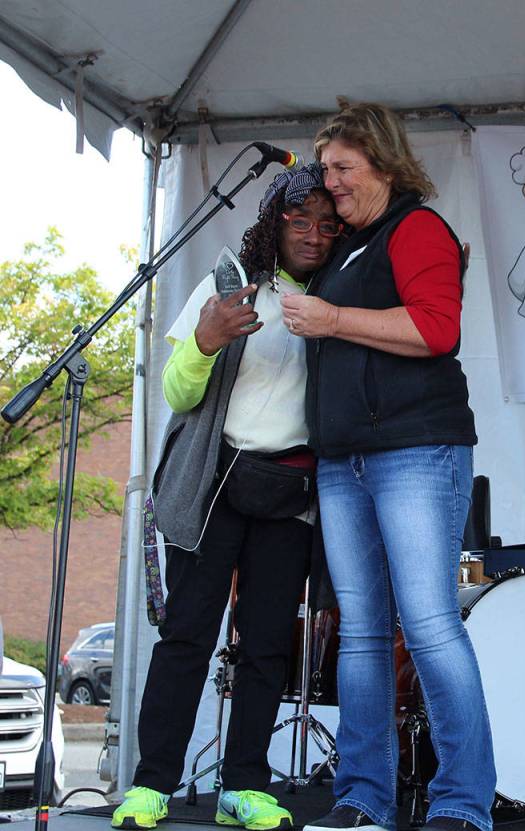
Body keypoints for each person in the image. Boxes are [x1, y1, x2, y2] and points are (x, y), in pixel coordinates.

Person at [285, 103, 495, 831]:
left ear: (383, 161)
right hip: (345, 461)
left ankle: (464, 802)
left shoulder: (417, 227)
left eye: (343, 167)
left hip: (414, 450)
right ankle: (363, 796)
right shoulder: (349, 247)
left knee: (430, 625)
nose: (331, 183)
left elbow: (438, 329)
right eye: (325, 169)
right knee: (363, 632)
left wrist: (331, 319)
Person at [112, 163, 340, 831]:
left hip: (290, 489)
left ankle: (244, 783)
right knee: (187, 634)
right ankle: (152, 783)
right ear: (276, 221)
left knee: (268, 642)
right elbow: (179, 395)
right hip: (217, 480)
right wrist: (208, 340)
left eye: (328, 225)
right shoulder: (233, 288)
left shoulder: (337, 298)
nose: (315, 234)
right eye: (300, 220)